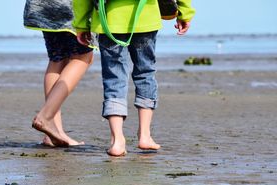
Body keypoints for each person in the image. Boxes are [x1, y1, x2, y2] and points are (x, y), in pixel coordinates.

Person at [73, 0, 195, 156]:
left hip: (108, 19)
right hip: (145, 16)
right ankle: (145, 135)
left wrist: (81, 24)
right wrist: (185, 12)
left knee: (114, 77)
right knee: (145, 73)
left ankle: (118, 140)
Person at [23, 0, 94, 147]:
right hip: (69, 6)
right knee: (83, 56)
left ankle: (54, 133)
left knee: (57, 58)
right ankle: (45, 116)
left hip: (43, 6)